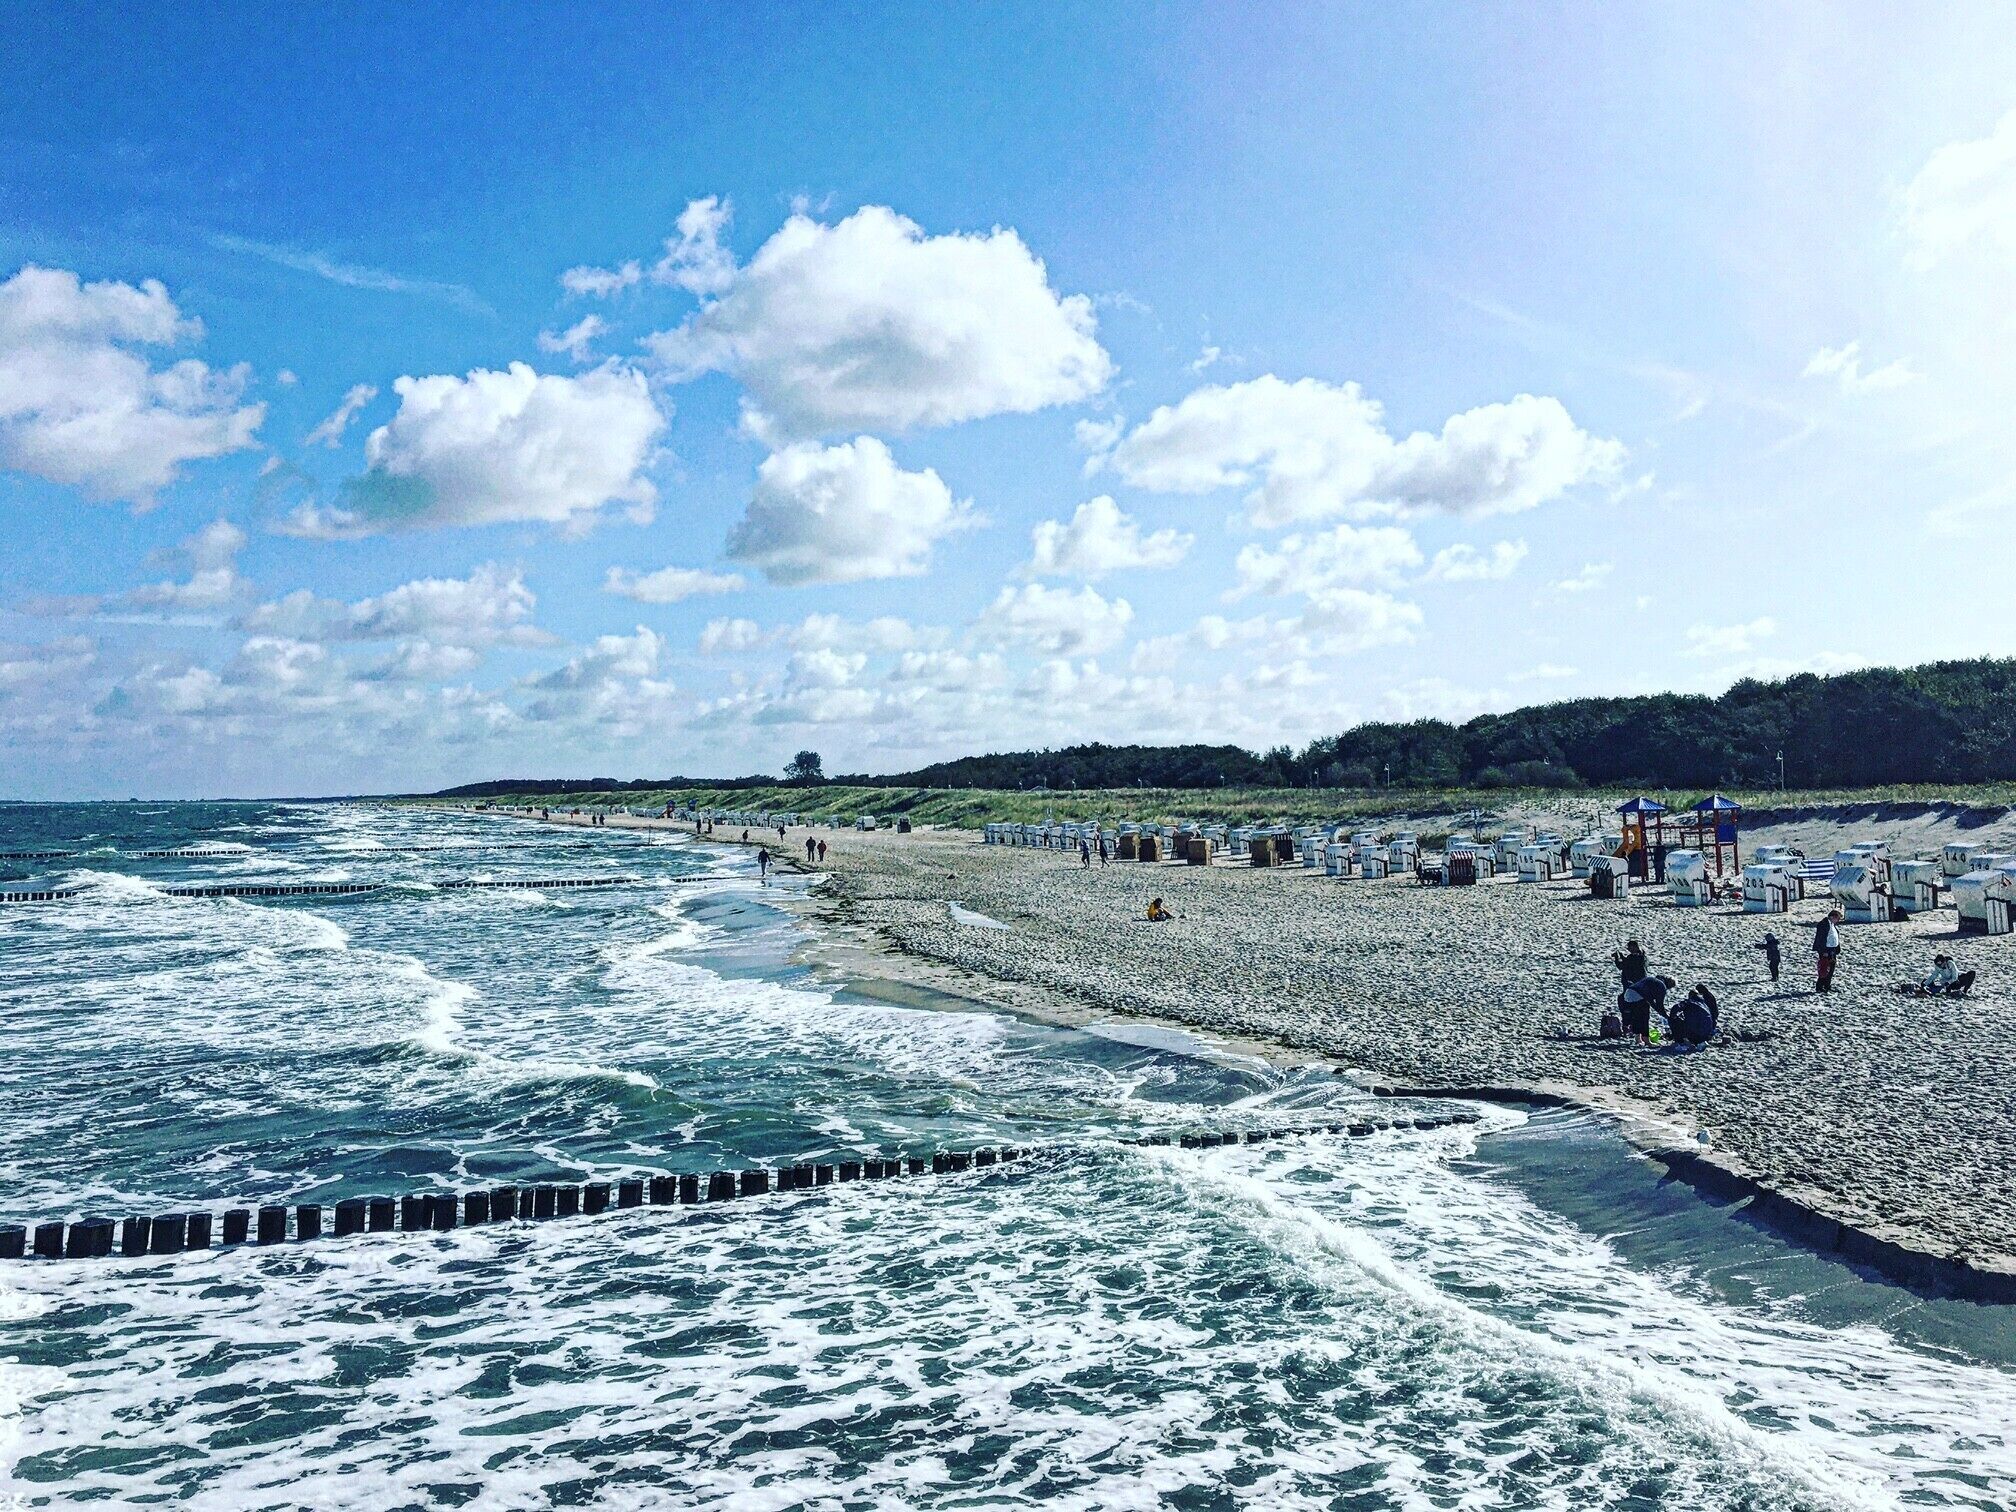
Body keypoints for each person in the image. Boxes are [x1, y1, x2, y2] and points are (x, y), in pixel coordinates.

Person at [1618, 974, 1673, 1046]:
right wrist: (1665, 1015)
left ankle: (1638, 1038)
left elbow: (1649, 999)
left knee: (1636, 1017)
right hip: (1637, 996)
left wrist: (1658, 1010)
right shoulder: (1661, 986)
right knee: (1644, 1018)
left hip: (1628, 993)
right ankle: (1646, 1039)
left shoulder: (1651, 979)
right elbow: (1659, 1005)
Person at [1813, 910, 1843, 993]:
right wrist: (1823, 951)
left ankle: (1827, 985)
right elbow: (1821, 938)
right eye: (1837, 918)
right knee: (1824, 968)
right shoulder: (1823, 924)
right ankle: (1820, 986)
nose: (1838, 920)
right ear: (1832, 917)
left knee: (1831, 968)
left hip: (1832, 949)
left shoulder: (1832, 924)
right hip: (1826, 950)